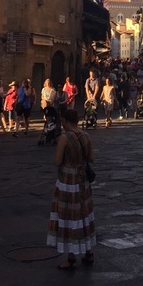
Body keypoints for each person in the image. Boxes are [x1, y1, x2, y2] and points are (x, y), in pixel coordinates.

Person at [47, 109, 96, 270]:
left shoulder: (64, 138)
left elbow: (56, 161)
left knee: (69, 217)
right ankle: (88, 252)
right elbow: (91, 158)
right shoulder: (85, 136)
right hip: (83, 180)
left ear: (65, 121)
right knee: (84, 215)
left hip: (68, 180)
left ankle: (71, 257)